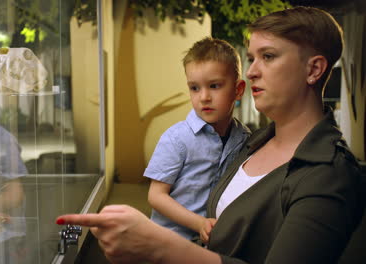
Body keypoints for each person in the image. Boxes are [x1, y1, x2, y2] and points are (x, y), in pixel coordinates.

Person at [56, 6, 365, 264]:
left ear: (314, 70)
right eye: (252, 58)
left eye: (268, 56)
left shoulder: (329, 172)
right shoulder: (253, 142)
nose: (253, 71)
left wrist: (160, 246)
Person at [144, 37, 249, 242]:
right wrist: (198, 223)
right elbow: (156, 196)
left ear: (238, 90)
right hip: (170, 240)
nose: (204, 97)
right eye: (195, 88)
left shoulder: (245, 139)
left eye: (214, 86)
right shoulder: (176, 139)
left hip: (215, 241)